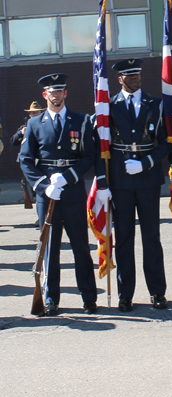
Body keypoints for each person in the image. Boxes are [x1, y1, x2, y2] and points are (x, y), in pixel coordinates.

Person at [95, 58, 172, 312]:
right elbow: (100, 147)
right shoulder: (108, 107)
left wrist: (146, 162)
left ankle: (157, 292)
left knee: (151, 238)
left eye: (137, 75)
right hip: (120, 179)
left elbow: (166, 143)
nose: (135, 79)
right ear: (119, 79)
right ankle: (126, 294)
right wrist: (102, 182)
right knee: (124, 238)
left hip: (146, 179)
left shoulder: (155, 104)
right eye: (129, 76)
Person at [19, 74, 98, 315]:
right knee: (50, 248)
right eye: (51, 92)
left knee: (80, 247)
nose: (56, 95)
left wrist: (68, 177)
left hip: (72, 191)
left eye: (60, 91)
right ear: (45, 96)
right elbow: (25, 160)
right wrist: (44, 185)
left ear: (66, 94)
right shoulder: (34, 124)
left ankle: (89, 297)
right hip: (48, 196)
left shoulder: (81, 121)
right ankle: (51, 298)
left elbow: (89, 156)